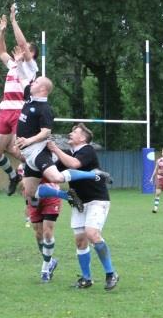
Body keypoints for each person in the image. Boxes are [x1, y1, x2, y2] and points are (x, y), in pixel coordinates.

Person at [16, 77, 112, 211]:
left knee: (56, 178)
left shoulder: (45, 109)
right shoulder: (29, 97)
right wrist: (20, 61)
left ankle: (95, 174)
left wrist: (28, 141)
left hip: (37, 151)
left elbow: (46, 132)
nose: (33, 83)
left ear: (43, 89)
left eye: (36, 82)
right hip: (28, 154)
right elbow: (22, 75)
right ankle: (67, 196)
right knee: (30, 192)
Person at [47, 123, 119, 291]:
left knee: (92, 233)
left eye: (75, 132)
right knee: (80, 241)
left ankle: (111, 273)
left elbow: (74, 165)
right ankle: (86, 279)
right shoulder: (68, 155)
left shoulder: (87, 150)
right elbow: (52, 172)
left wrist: (55, 149)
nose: (70, 133)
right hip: (78, 201)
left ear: (83, 138)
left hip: (96, 200)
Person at [0, 4, 39, 196]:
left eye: (24, 48)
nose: (19, 48)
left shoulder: (30, 67)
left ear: (30, 53)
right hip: (4, 111)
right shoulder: (13, 65)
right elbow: (1, 51)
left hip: (20, 112)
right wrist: (2, 32)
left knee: (25, 154)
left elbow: (23, 44)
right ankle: (13, 176)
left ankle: (42, 178)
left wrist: (13, 21)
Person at [17, 164, 62, 283]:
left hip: (51, 197)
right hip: (34, 200)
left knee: (47, 233)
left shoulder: (47, 161)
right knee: (38, 234)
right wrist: (27, 202)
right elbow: (23, 186)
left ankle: (45, 270)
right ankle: (50, 261)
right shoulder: (22, 166)